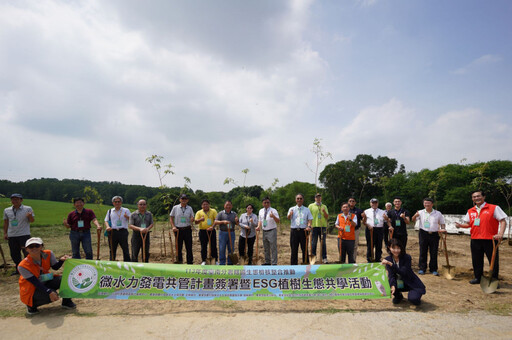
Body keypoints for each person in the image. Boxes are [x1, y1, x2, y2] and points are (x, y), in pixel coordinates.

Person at [455, 190, 507, 284]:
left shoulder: (494, 208)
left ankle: (494, 280)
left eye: (478, 196)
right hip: (475, 239)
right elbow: (468, 224)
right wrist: (460, 226)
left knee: (493, 261)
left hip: (490, 239)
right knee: (476, 260)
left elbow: (503, 221)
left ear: (484, 197)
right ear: (472, 199)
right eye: (474, 197)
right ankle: (478, 278)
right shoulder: (471, 210)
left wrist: (500, 234)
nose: (476, 198)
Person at [18, 237, 75, 315]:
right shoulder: (22, 266)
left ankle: (66, 302)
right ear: (26, 249)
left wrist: (61, 260)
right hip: (32, 288)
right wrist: (49, 292)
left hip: (45, 279)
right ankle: (31, 305)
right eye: (31, 246)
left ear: (41, 246)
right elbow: (35, 283)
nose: (34, 248)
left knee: (65, 279)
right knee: (52, 294)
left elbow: (55, 267)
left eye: (37, 245)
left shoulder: (48, 253)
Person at [382, 238, 426, 305]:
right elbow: (391, 275)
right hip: (399, 282)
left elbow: (403, 272)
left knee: (413, 299)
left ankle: (415, 295)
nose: (396, 250)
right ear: (389, 248)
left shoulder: (407, 257)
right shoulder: (388, 259)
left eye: (398, 248)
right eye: (393, 248)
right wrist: (393, 286)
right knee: (388, 283)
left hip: (411, 282)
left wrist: (391, 264)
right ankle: (398, 296)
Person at [411, 198, 446, 276]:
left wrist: (443, 229)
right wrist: (415, 215)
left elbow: (442, 223)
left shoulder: (438, 213)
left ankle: (433, 269)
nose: (426, 205)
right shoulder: (420, 212)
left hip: (434, 234)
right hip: (423, 233)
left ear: (432, 204)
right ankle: (422, 268)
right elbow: (413, 220)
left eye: (428, 203)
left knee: (434, 252)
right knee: (423, 251)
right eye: (425, 203)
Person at [3, 193, 35, 274]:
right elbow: (6, 222)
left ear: (21, 200)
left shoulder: (28, 209)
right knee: (14, 253)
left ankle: (29, 268)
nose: (15, 201)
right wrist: (5, 233)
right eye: (13, 199)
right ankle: (18, 269)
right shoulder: (7, 210)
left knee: (27, 252)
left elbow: (32, 221)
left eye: (17, 199)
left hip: (24, 234)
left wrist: (30, 216)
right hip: (12, 235)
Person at [287, 193, 313, 265]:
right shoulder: (291, 209)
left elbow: (310, 219)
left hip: (303, 231)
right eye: (298, 198)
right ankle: (293, 266)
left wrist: (309, 226)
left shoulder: (306, 209)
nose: (299, 200)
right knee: (294, 249)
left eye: (301, 198)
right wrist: (290, 214)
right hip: (294, 231)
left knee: (304, 249)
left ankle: (306, 263)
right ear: (295, 200)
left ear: (303, 200)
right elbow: (288, 218)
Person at [104, 196, 131, 262]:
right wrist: (107, 226)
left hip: (123, 231)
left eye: (118, 201)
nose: (117, 203)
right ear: (113, 203)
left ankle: (127, 263)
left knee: (125, 249)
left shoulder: (126, 210)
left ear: (121, 202)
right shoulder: (110, 211)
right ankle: (112, 263)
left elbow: (131, 221)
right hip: (113, 232)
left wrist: (127, 217)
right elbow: (106, 220)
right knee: (112, 249)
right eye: (115, 202)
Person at [170, 194, 195, 264]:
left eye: (185, 199)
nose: (184, 200)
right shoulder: (175, 208)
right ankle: (179, 262)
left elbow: (192, 217)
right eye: (182, 199)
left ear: (187, 200)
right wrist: (173, 226)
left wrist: (192, 219)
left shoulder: (190, 208)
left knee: (189, 247)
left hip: (187, 229)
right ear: (180, 200)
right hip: (178, 230)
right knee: (178, 247)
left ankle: (190, 263)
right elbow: (171, 217)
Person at [363, 198, 389, 263]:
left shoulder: (383, 211)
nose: (374, 204)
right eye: (373, 203)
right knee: (370, 245)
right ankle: (369, 259)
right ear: (370, 203)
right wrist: (368, 225)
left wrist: (387, 218)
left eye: (375, 203)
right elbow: (363, 222)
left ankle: (378, 259)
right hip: (370, 229)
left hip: (379, 229)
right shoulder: (366, 211)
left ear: (378, 203)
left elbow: (387, 220)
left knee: (379, 245)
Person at [256, 197, 280, 265]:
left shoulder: (273, 210)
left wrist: (273, 216)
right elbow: (260, 220)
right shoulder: (261, 211)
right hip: (264, 231)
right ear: (262, 203)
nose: (266, 204)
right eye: (265, 202)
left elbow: (278, 221)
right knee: (266, 248)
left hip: (272, 230)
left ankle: (274, 263)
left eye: (268, 202)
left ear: (270, 203)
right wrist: (258, 226)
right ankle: (267, 262)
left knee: (273, 248)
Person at [194, 199, 218, 265]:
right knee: (203, 246)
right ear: (201, 206)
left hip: (211, 230)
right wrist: (200, 219)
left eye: (207, 204)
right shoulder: (199, 212)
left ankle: (215, 260)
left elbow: (216, 220)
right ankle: (204, 260)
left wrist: (212, 227)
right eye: (204, 204)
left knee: (213, 246)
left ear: (209, 205)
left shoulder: (213, 211)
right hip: (203, 231)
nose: (205, 205)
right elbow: (195, 222)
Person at [215, 201, 238, 265]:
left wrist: (237, 221)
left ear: (231, 206)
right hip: (223, 233)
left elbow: (237, 223)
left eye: (229, 205)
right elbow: (215, 222)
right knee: (222, 248)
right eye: (227, 205)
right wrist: (223, 222)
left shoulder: (234, 214)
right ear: (224, 206)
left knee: (231, 248)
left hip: (231, 233)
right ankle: (222, 263)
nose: (228, 206)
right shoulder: (221, 213)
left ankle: (230, 263)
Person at [308, 193, 329, 264]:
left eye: (319, 197)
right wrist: (309, 225)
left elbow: (327, 216)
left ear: (321, 198)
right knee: (313, 243)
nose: (318, 199)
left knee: (323, 243)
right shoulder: (311, 206)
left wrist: (324, 211)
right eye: (317, 197)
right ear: (315, 198)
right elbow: (308, 216)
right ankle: (313, 258)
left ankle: (324, 258)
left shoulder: (324, 206)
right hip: (314, 227)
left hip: (322, 227)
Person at [348, 197, 364, 262]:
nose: (351, 202)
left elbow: (363, 219)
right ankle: (346, 260)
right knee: (347, 245)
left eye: (353, 201)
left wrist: (364, 216)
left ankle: (353, 260)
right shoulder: (345, 209)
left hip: (356, 230)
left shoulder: (359, 210)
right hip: (347, 230)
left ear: (355, 202)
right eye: (350, 201)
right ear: (348, 202)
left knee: (355, 245)